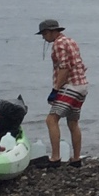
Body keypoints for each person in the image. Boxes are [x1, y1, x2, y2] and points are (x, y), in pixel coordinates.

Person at [36, 19, 88, 168]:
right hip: (82, 85)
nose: (43, 37)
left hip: (70, 86)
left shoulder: (58, 44)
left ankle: (55, 158)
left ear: (53, 31)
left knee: (51, 120)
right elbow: (79, 64)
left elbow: (64, 68)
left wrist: (55, 90)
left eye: (45, 33)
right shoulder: (71, 41)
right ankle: (76, 158)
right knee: (73, 122)